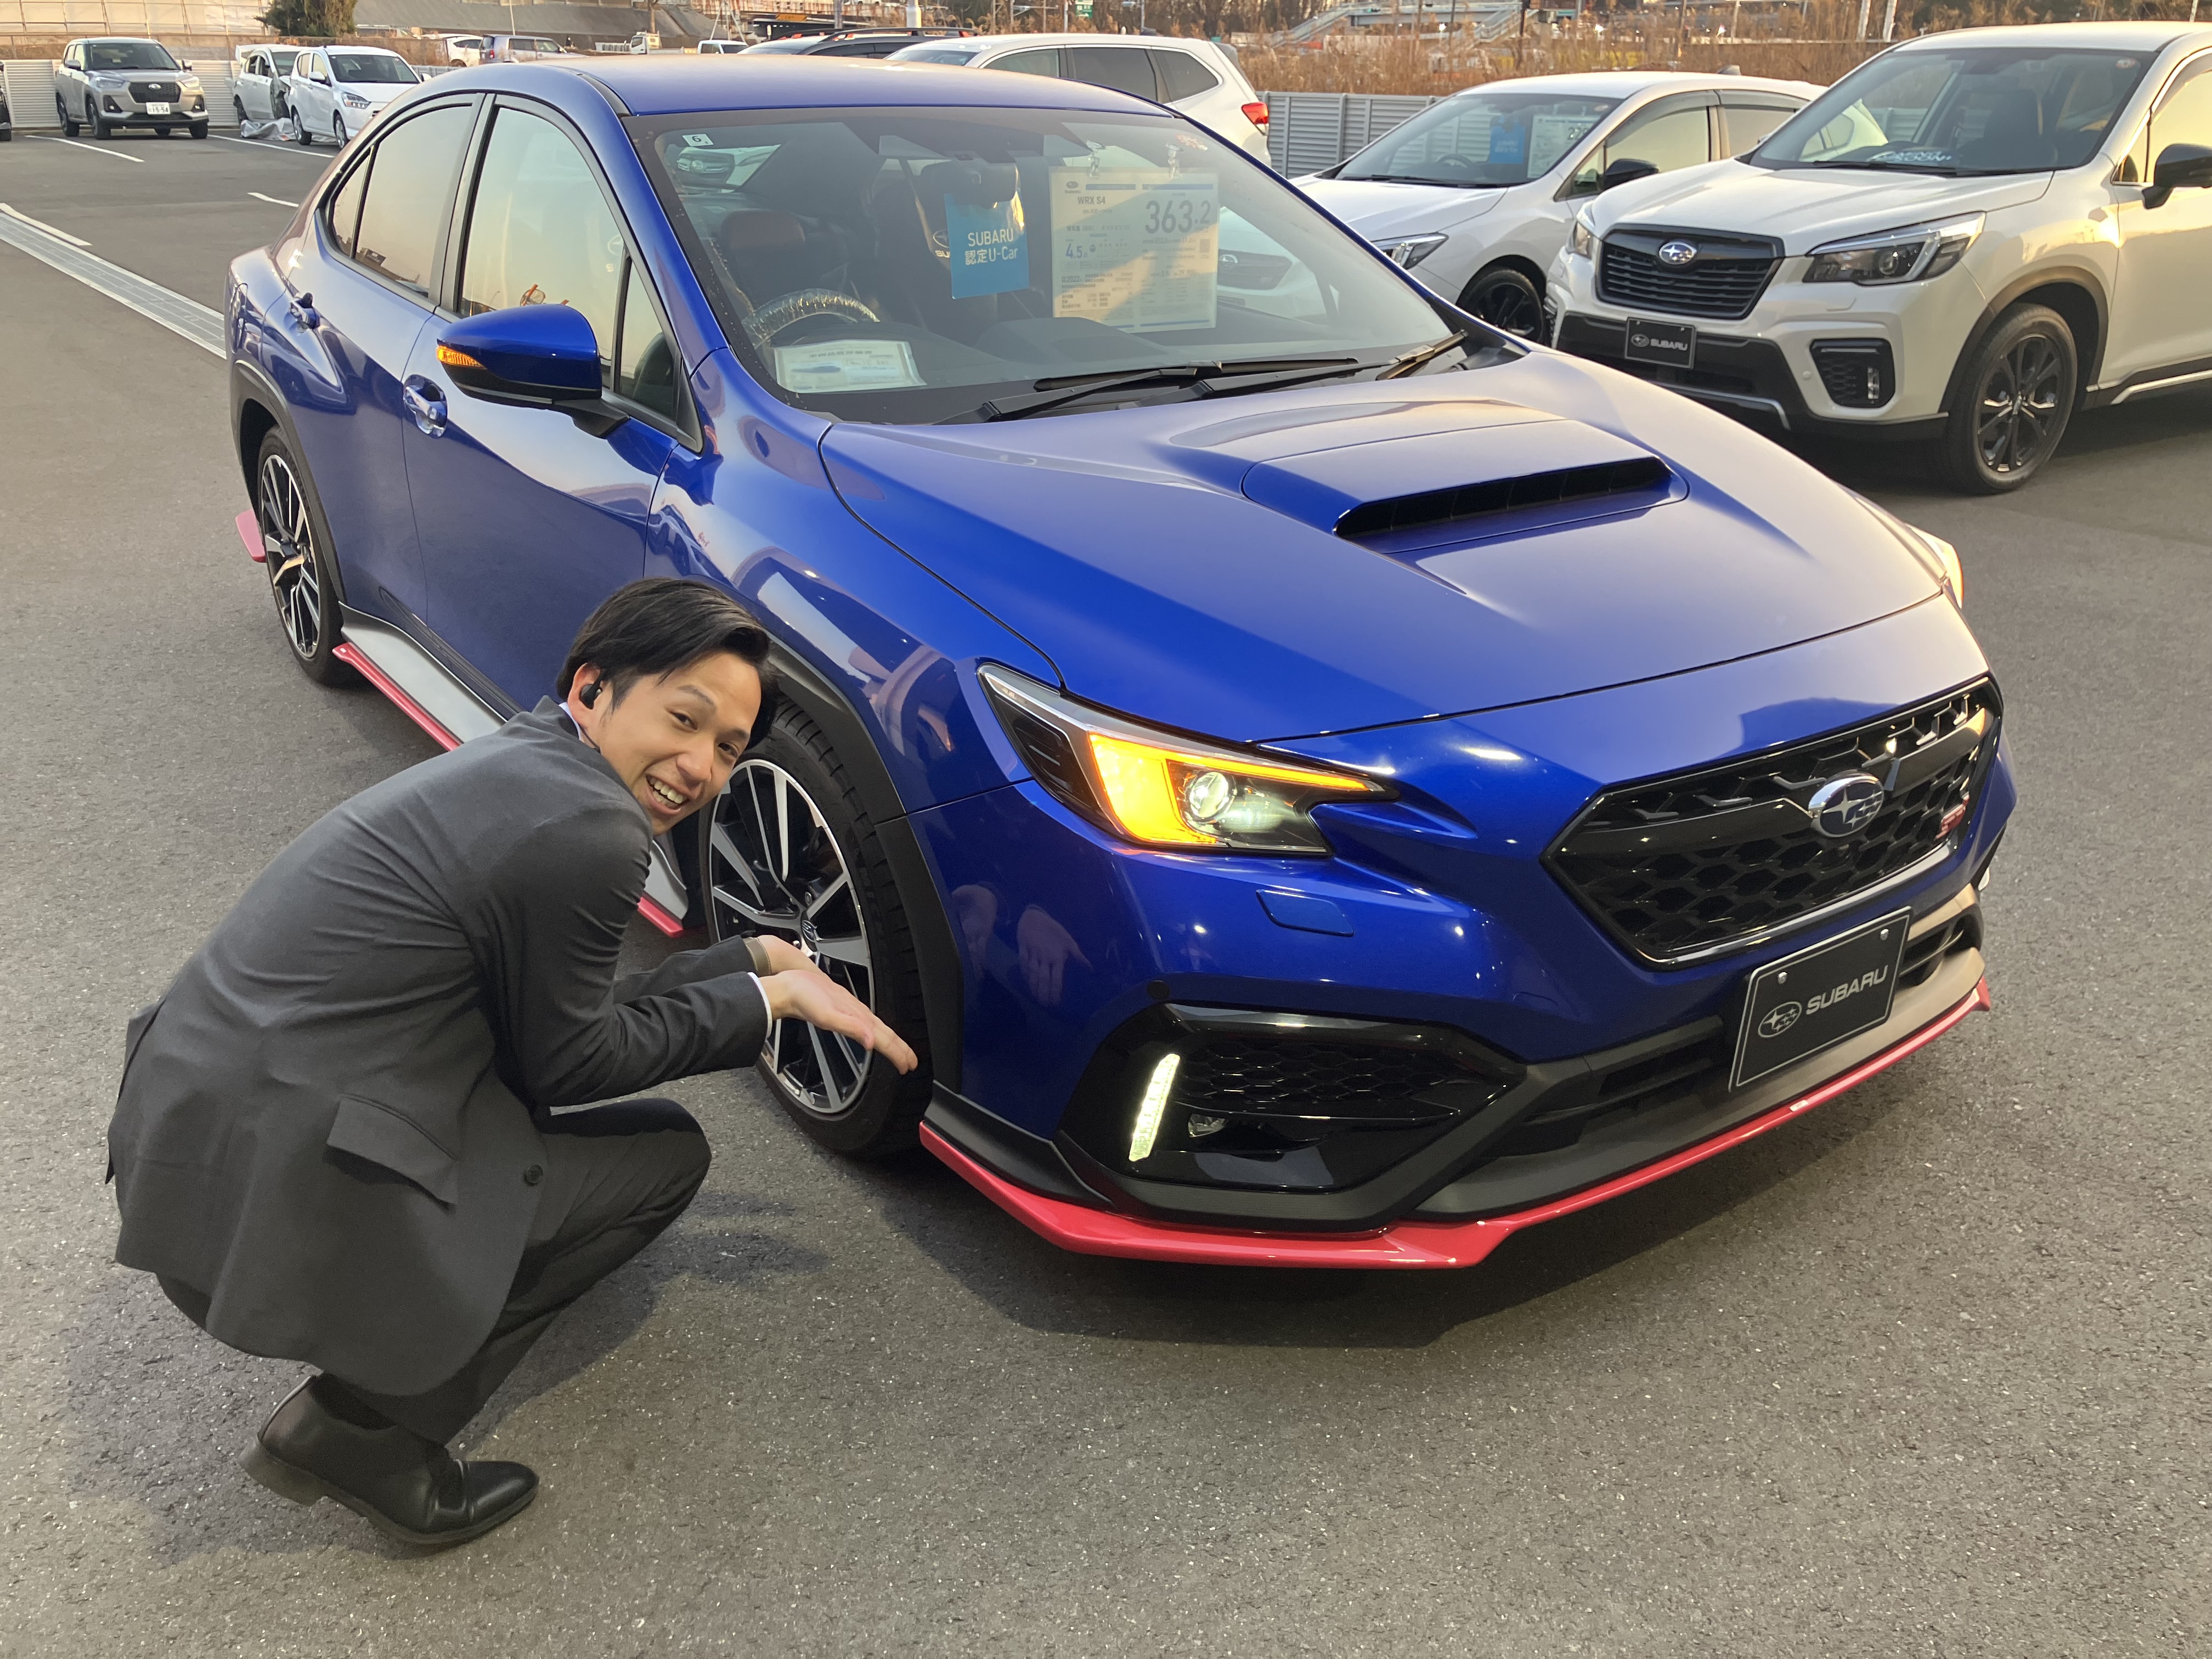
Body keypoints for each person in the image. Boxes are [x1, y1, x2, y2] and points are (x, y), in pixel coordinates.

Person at [105, 578, 916, 1548]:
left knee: (557, 1127)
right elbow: (569, 1063)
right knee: (664, 1159)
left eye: (729, 748)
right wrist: (763, 1004)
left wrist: (750, 959)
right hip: (279, 1178)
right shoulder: (594, 829)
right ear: (594, 687)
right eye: (684, 718)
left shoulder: (530, 758)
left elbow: (553, 1013)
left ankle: (425, 1302)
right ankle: (367, 1431)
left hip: (193, 1129)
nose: (700, 767)